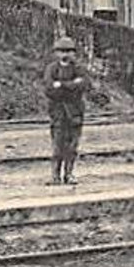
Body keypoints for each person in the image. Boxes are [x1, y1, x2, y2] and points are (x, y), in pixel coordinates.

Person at [44, 36, 89, 186]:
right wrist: (71, 86)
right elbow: (49, 89)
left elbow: (83, 86)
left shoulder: (79, 69)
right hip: (57, 112)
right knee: (57, 146)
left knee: (72, 146)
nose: (65, 54)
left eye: (69, 51)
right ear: (56, 53)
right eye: (62, 51)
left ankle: (69, 174)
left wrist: (61, 85)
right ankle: (55, 176)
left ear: (74, 53)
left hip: (75, 113)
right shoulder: (51, 69)